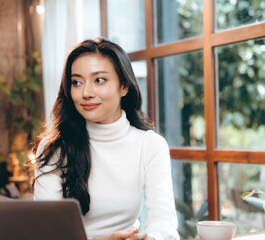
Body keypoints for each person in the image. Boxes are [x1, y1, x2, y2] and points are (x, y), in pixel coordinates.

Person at [31, 38, 179, 240]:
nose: (86, 93)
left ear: (124, 86)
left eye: (99, 80)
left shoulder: (150, 145)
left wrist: (150, 239)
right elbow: (46, 232)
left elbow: (164, 223)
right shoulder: (55, 148)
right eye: (76, 82)